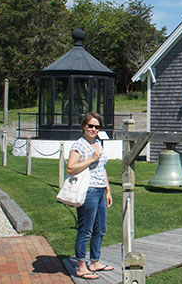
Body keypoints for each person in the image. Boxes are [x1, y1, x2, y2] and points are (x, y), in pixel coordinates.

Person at [67, 111, 114, 279]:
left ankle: (95, 261)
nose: (93, 129)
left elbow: (102, 169)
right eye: (90, 126)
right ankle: (81, 266)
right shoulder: (78, 145)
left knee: (100, 229)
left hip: (100, 189)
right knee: (85, 229)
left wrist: (108, 190)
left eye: (97, 126)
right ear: (83, 127)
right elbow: (71, 167)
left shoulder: (98, 142)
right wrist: (91, 159)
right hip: (88, 191)